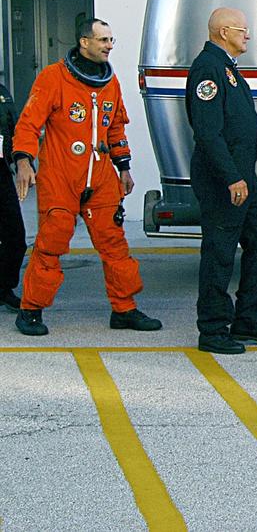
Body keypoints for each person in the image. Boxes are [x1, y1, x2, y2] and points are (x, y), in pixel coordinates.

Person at [11, 19, 161, 335]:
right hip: (61, 176)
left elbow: (115, 127)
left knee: (114, 244)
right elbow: (28, 124)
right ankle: (30, 310)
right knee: (51, 243)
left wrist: (124, 168)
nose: (109, 45)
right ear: (84, 42)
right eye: (103, 40)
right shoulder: (53, 77)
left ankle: (124, 309)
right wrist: (24, 161)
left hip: (101, 178)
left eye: (111, 40)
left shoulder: (110, 82)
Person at [186, 8, 257, 354]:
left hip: (244, 178)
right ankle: (213, 329)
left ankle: (248, 319)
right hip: (223, 180)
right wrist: (231, 178)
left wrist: (243, 177)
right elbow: (208, 132)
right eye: (243, 30)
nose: (248, 36)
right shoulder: (208, 69)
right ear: (224, 32)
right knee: (220, 253)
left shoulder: (227, 67)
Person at [0, 82, 26, 312]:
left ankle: (4, 289)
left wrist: (22, 162)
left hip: (1, 172)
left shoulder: (2, 93)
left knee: (15, 237)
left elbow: (16, 129)